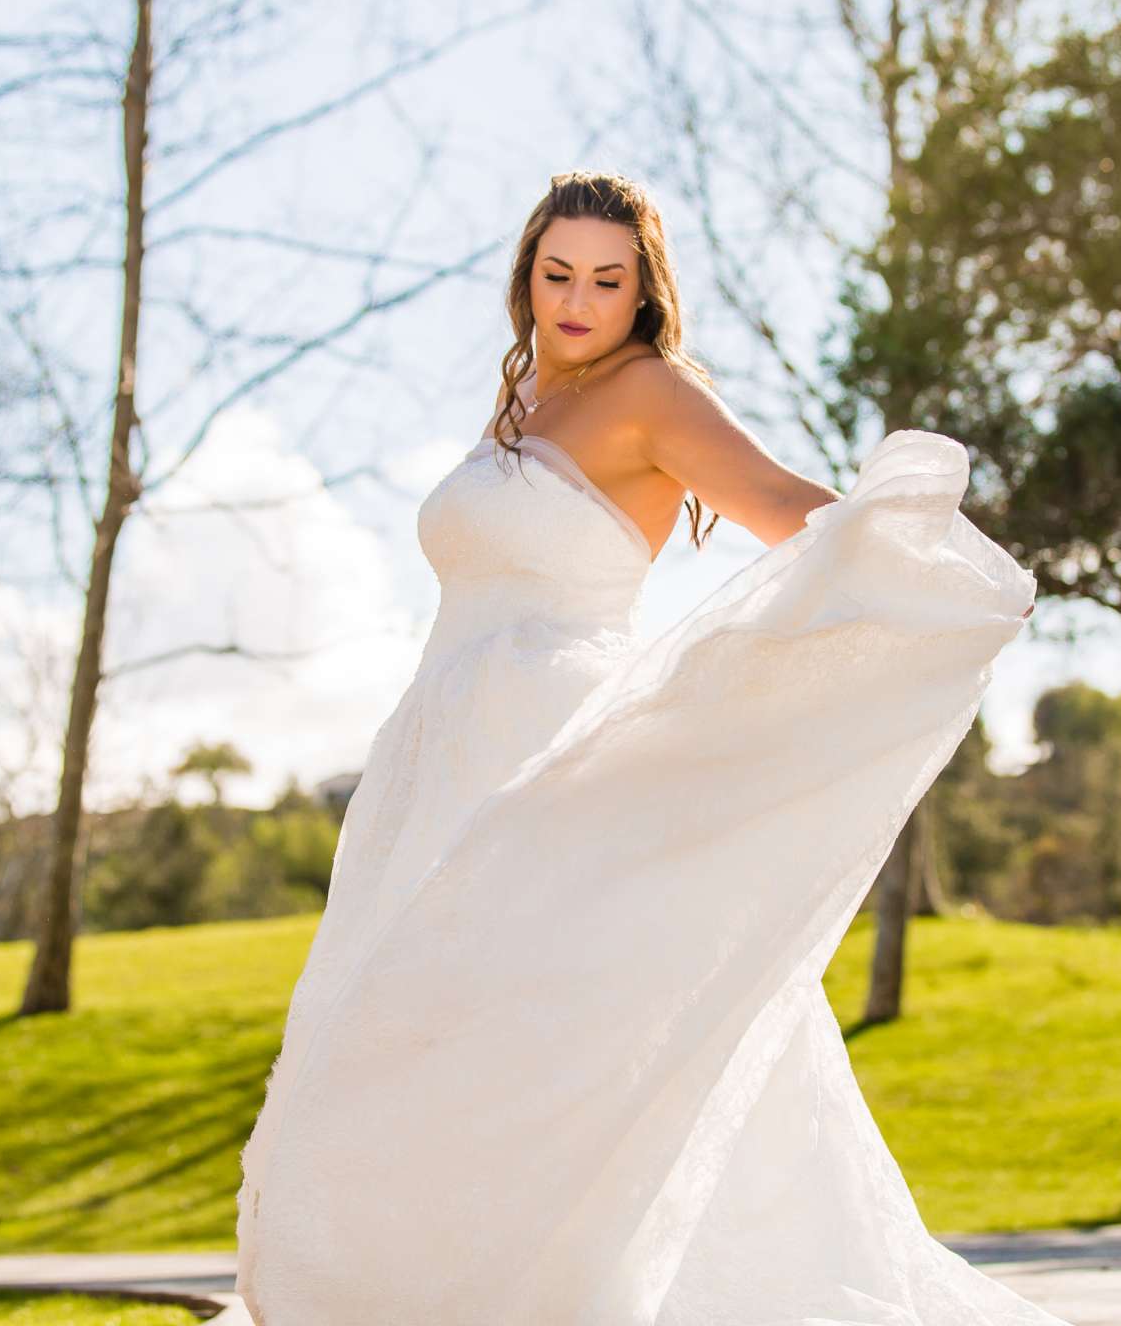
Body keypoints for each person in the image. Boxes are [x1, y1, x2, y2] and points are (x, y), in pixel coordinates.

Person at [234, 170, 1060, 1325]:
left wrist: (913, 555)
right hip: (439, 754)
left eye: (606, 280)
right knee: (415, 1034)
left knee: (566, 1029)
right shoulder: (520, 401)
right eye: (556, 272)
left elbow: (778, 502)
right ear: (528, 274)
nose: (577, 300)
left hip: (550, 742)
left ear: (641, 294)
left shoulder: (649, 394)